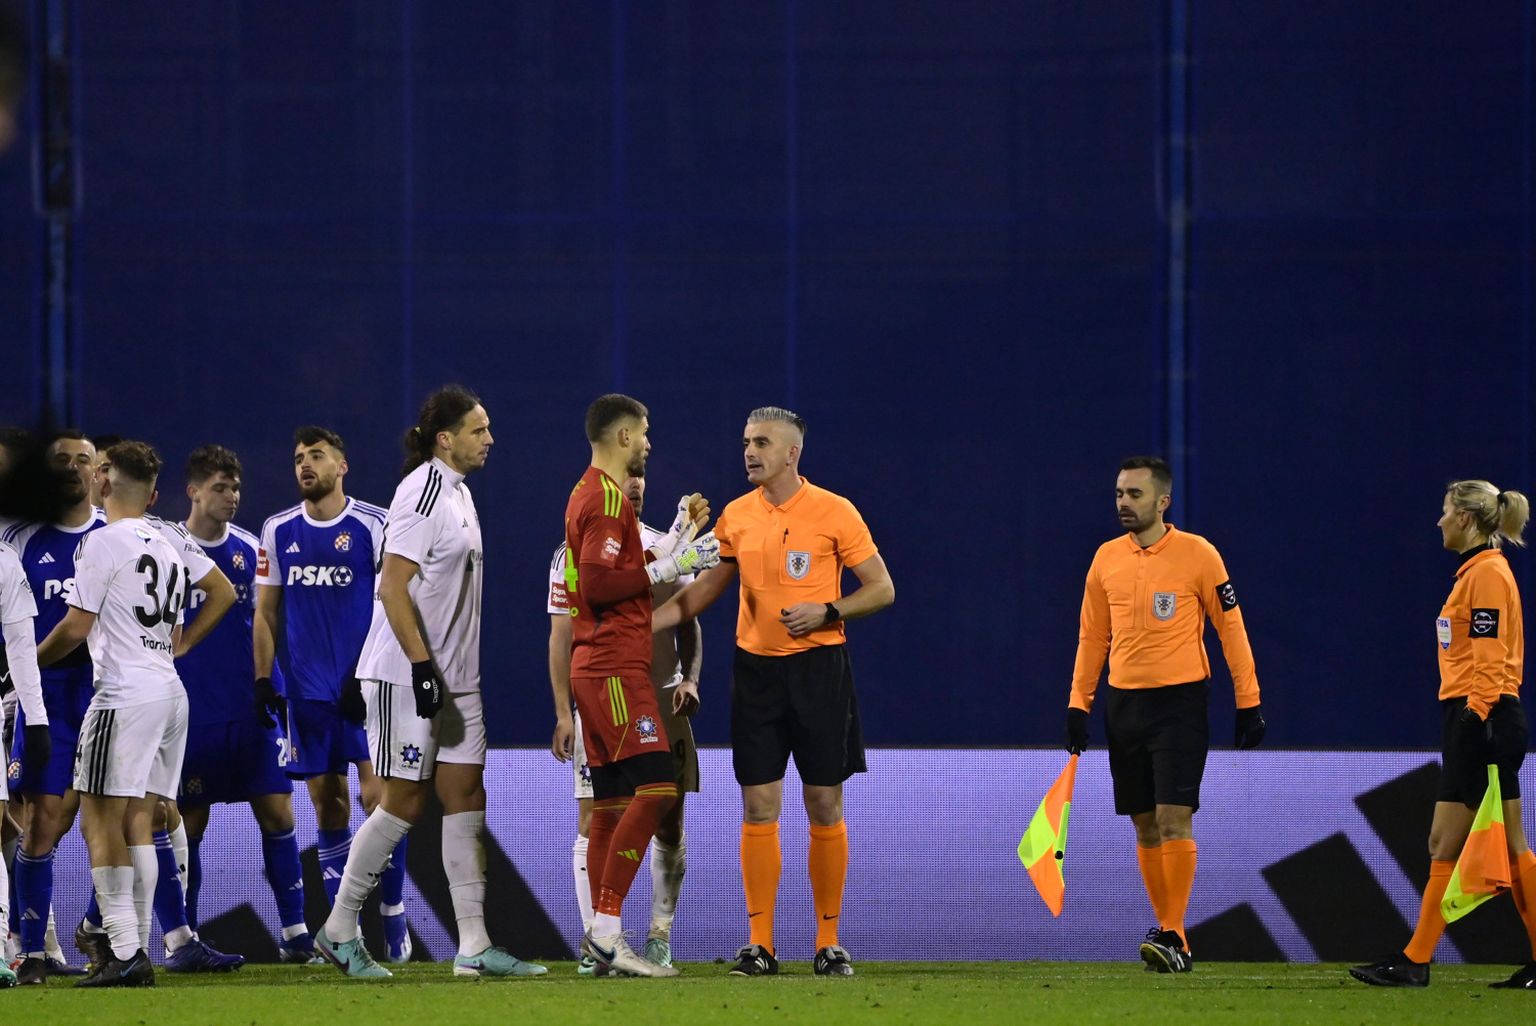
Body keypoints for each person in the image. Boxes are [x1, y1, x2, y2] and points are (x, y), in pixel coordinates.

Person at [653, 406, 894, 979]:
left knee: (824, 804)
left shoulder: (835, 511)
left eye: (761, 442)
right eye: (746, 441)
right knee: (759, 806)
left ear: (792, 453)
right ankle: (759, 945)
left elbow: (882, 588)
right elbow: (705, 589)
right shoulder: (737, 516)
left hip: (819, 672)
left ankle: (829, 943)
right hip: (756, 675)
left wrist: (829, 610)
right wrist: (645, 624)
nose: (749, 451)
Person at [316, 385, 544, 980]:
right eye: (478, 429)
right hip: (407, 674)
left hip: (457, 680)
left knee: (466, 792)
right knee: (404, 801)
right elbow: (392, 586)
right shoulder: (421, 490)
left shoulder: (460, 493)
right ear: (445, 439)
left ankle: (473, 945)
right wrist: (421, 669)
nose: (490, 439)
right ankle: (339, 929)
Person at [1062, 455, 1265, 973]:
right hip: (1123, 704)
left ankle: (1173, 933)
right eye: (1118, 494)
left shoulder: (1199, 554)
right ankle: (1173, 937)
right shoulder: (1106, 558)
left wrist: (1249, 702)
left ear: (1163, 501)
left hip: (1179, 703)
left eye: (1134, 494)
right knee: (1145, 824)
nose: (1123, 503)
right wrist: (1079, 704)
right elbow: (1092, 637)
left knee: (1175, 817)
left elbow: (1231, 628)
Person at [1351, 481, 1536, 989]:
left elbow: (1490, 657)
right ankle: (1416, 959)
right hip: (1477, 714)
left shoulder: (1488, 575)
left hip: (1484, 716)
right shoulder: (1476, 573)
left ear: (1466, 519)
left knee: (1491, 843)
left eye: (1445, 511)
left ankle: (1415, 960)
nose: (1439, 521)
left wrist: (1474, 717)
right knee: (1457, 842)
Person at [562, 394, 719, 979]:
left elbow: (618, 568)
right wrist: (672, 567)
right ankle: (607, 932)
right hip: (614, 666)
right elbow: (601, 586)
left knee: (608, 804)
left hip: (596, 663)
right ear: (623, 436)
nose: (649, 443)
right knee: (656, 789)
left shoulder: (588, 492)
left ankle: (601, 937)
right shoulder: (606, 499)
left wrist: (677, 538)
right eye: (645, 432)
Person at [33, 441, 196, 987]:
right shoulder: (169, 545)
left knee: (98, 821)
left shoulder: (102, 542)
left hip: (124, 694)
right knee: (139, 822)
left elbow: (76, 627)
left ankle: (125, 951)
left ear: (104, 481)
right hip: (169, 691)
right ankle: (134, 947)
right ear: (151, 493)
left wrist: (25, 664)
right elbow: (175, 632)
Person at [254, 427, 411, 962]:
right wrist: (263, 678)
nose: (305, 464)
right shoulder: (278, 530)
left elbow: (393, 603)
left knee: (379, 799)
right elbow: (266, 612)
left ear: (341, 467)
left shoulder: (373, 524)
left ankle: (392, 913)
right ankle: (347, 931)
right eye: (299, 457)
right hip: (307, 694)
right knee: (328, 804)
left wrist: (367, 673)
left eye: (317, 456)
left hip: (364, 688)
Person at [175, 445, 312, 960]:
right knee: (189, 822)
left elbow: (270, 621)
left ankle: (296, 933)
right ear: (193, 492)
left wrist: (269, 683)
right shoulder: (167, 551)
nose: (231, 496)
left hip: (253, 705)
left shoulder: (253, 549)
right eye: (219, 488)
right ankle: (185, 935)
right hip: (193, 710)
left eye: (235, 488)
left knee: (278, 812)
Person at [2, 431, 104, 981]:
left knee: (129, 818)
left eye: (82, 459)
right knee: (40, 822)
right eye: (60, 459)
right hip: (43, 699)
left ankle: (102, 931)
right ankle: (31, 952)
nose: (71, 467)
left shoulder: (115, 536)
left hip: (106, 695)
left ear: (98, 472)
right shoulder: (20, 540)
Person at [0, 529, 52, 986]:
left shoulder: (4, 559)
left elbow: (20, 645)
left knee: (2, 821)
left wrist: (35, 719)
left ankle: (4, 946)